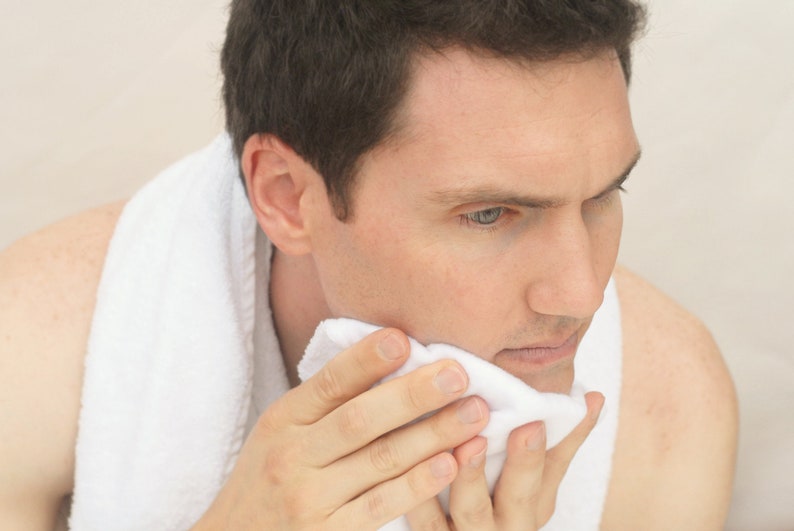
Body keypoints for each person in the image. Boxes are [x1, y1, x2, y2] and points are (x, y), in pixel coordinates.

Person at [0, 1, 738, 529]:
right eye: (488, 214)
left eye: (604, 194)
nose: (581, 292)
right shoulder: (33, 351)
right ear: (288, 196)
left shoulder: (665, 409)